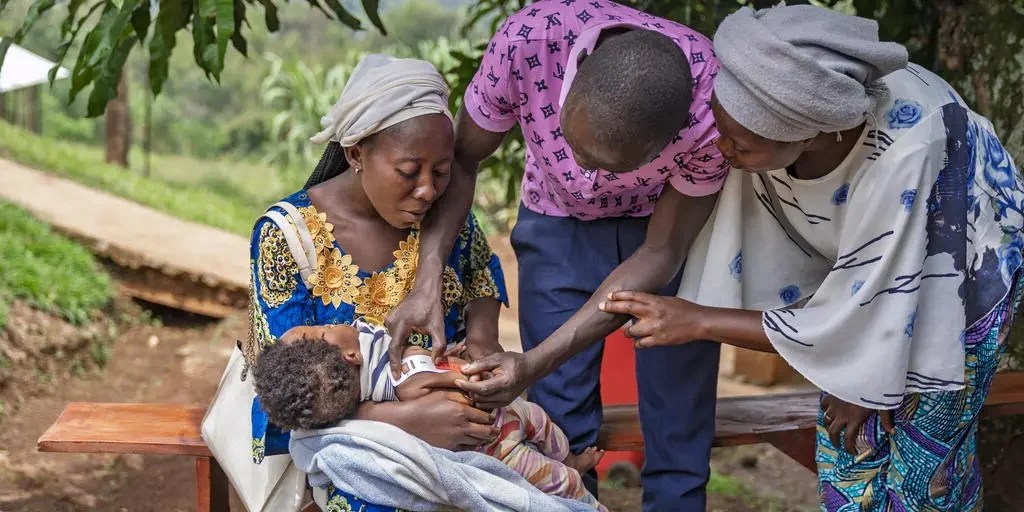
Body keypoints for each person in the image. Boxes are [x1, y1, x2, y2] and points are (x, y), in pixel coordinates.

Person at [598, 4, 1024, 511]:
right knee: (849, 449)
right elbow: (853, 303)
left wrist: (860, 379)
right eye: (721, 130)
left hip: (964, 276)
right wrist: (853, 375)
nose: (724, 150)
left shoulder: (905, 149)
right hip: (867, 286)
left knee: (923, 469)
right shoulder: (772, 120)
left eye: (742, 145)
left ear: (816, 134)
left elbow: (883, 299)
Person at [385, 2, 727, 508]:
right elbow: (464, 157)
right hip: (555, 224)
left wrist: (534, 361)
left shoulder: (713, 109)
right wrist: (427, 278)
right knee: (560, 416)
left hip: (664, 231)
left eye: (608, 165)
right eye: (575, 144)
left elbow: (662, 249)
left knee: (679, 417)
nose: (586, 176)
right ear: (573, 79)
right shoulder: (529, 41)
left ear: (664, 142)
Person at [246, 54, 508, 511]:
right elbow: (286, 387)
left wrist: (484, 347)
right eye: (409, 172)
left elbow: (481, 275)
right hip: (340, 442)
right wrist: (404, 420)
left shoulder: (447, 222)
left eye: (442, 173)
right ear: (355, 154)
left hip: (457, 426)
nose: (427, 189)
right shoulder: (288, 236)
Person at [251, 321, 607, 511]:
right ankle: (576, 490)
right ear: (350, 357)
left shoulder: (362, 347)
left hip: (506, 411)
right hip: (496, 442)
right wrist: (453, 372)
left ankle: (567, 458)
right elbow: (428, 385)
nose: (325, 322)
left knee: (544, 427)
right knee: (551, 473)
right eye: (322, 330)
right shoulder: (388, 378)